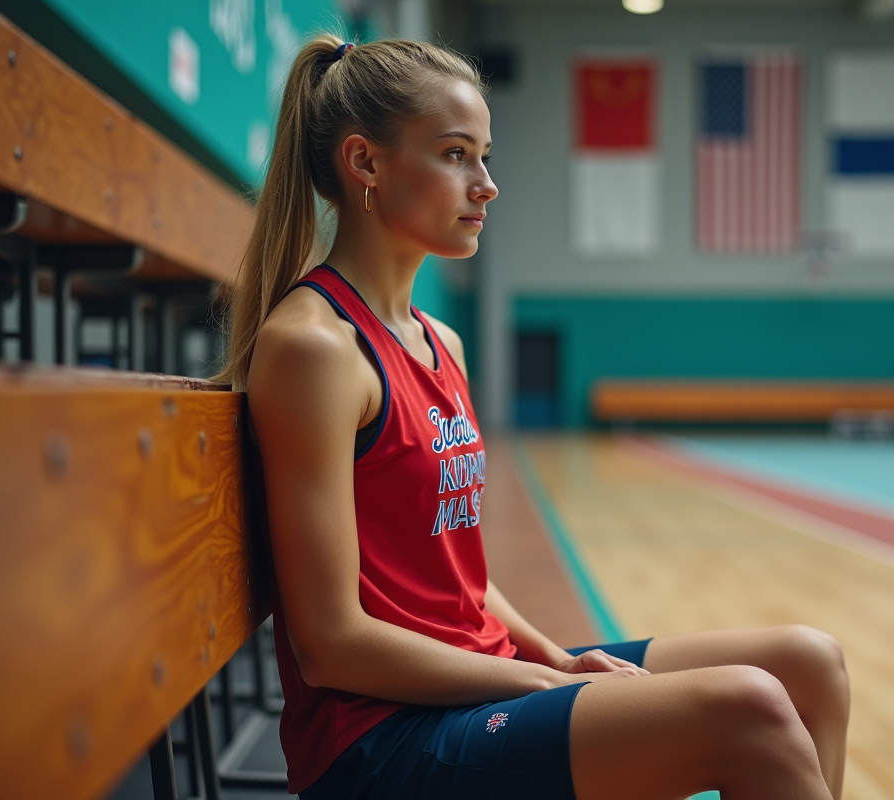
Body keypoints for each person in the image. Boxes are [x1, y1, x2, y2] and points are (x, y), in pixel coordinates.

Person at [218, 35, 849, 800]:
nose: (485, 184)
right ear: (366, 163)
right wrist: (540, 682)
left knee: (808, 662)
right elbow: (331, 647)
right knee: (748, 708)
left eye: (484, 156)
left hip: (472, 680)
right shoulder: (315, 348)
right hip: (381, 740)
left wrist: (554, 657)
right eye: (456, 154)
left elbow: (460, 581)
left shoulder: (439, 340)